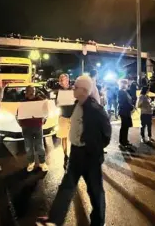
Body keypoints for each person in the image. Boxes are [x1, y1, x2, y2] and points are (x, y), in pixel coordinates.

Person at [36, 75, 112, 226]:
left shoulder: (96, 109)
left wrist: (94, 147)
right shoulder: (77, 104)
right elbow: (64, 112)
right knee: (66, 186)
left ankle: (98, 222)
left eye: (76, 87)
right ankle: (54, 220)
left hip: (90, 155)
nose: (73, 89)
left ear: (84, 90)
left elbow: (107, 132)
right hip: (76, 153)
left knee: (95, 192)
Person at [17, 86, 48, 172]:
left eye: (33, 91)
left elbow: (46, 110)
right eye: (30, 91)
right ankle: (31, 162)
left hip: (37, 126)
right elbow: (18, 114)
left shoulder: (39, 100)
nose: (32, 93)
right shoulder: (23, 102)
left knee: (40, 146)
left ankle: (42, 162)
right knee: (28, 147)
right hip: (26, 127)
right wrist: (20, 123)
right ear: (26, 92)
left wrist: (44, 119)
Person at [56, 74, 75, 170]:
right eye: (63, 80)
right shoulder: (58, 91)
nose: (66, 81)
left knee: (74, 139)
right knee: (63, 138)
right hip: (63, 117)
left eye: (67, 79)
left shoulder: (73, 89)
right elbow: (56, 104)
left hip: (73, 117)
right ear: (60, 82)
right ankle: (65, 156)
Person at [118, 79, 134, 148]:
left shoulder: (124, 92)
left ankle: (124, 140)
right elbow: (124, 103)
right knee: (124, 127)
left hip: (126, 111)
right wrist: (131, 107)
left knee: (126, 127)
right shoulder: (121, 92)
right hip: (124, 111)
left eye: (126, 83)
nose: (126, 85)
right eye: (125, 83)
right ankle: (123, 142)